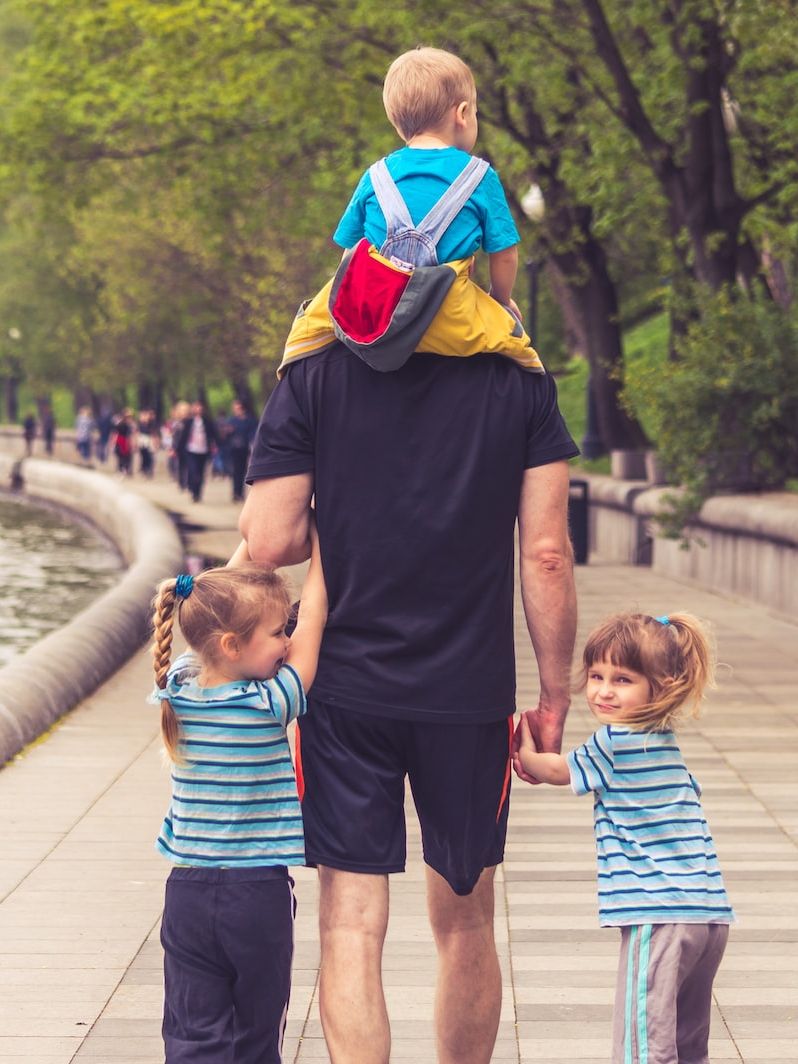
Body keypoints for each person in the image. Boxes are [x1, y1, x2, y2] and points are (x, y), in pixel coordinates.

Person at [239, 319, 579, 1059]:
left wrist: (343, 520)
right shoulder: (519, 377)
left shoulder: (316, 371)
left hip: (342, 690)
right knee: (464, 921)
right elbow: (546, 554)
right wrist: (555, 697)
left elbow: (266, 540)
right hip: (470, 693)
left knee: (351, 924)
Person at [514, 612, 735, 1064]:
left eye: (623, 679)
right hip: (709, 916)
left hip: (659, 915)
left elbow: (557, 771)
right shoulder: (664, 741)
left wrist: (524, 751)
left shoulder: (615, 741)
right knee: (687, 1042)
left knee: (643, 1044)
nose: (604, 690)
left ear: (663, 685)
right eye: (596, 675)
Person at [149, 534, 327, 1063]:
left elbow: (207, 612)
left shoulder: (179, 688)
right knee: (256, 1031)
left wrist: (254, 539)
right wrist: (325, 547)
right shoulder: (268, 704)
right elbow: (314, 619)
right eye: (278, 632)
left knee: (191, 1030)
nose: (287, 641)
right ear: (232, 645)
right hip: (257, 895)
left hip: (187, 893)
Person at [278, 47, 543, 377]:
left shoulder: (375, 177)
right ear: (462, 114)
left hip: (380, 313)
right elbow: (504, 254)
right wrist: (500, 300)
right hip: (452, 316)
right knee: (524, 358)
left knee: (305, 332)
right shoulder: (480, 177)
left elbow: (350, 256)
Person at [177, 399, 220, 502]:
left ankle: (198, 493)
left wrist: (217, 445)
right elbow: (183, 437)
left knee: (201, 473)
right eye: (196, 407)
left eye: (200, 407)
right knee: (193, 471)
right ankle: (192, 489)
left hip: (204, 451)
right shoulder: (189, 421)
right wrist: (177, 449)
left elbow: (214, 435)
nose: (198, 409)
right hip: (191, 450)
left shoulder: (207, 421)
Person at [225, 398, 258, 502]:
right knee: (235, 472)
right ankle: (236, 492)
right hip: (234, 449)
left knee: (243, 471)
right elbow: (225, 436)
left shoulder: (249, 420)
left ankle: (240, 493)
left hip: (244, 448)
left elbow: (253, 434)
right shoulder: (231, 420)